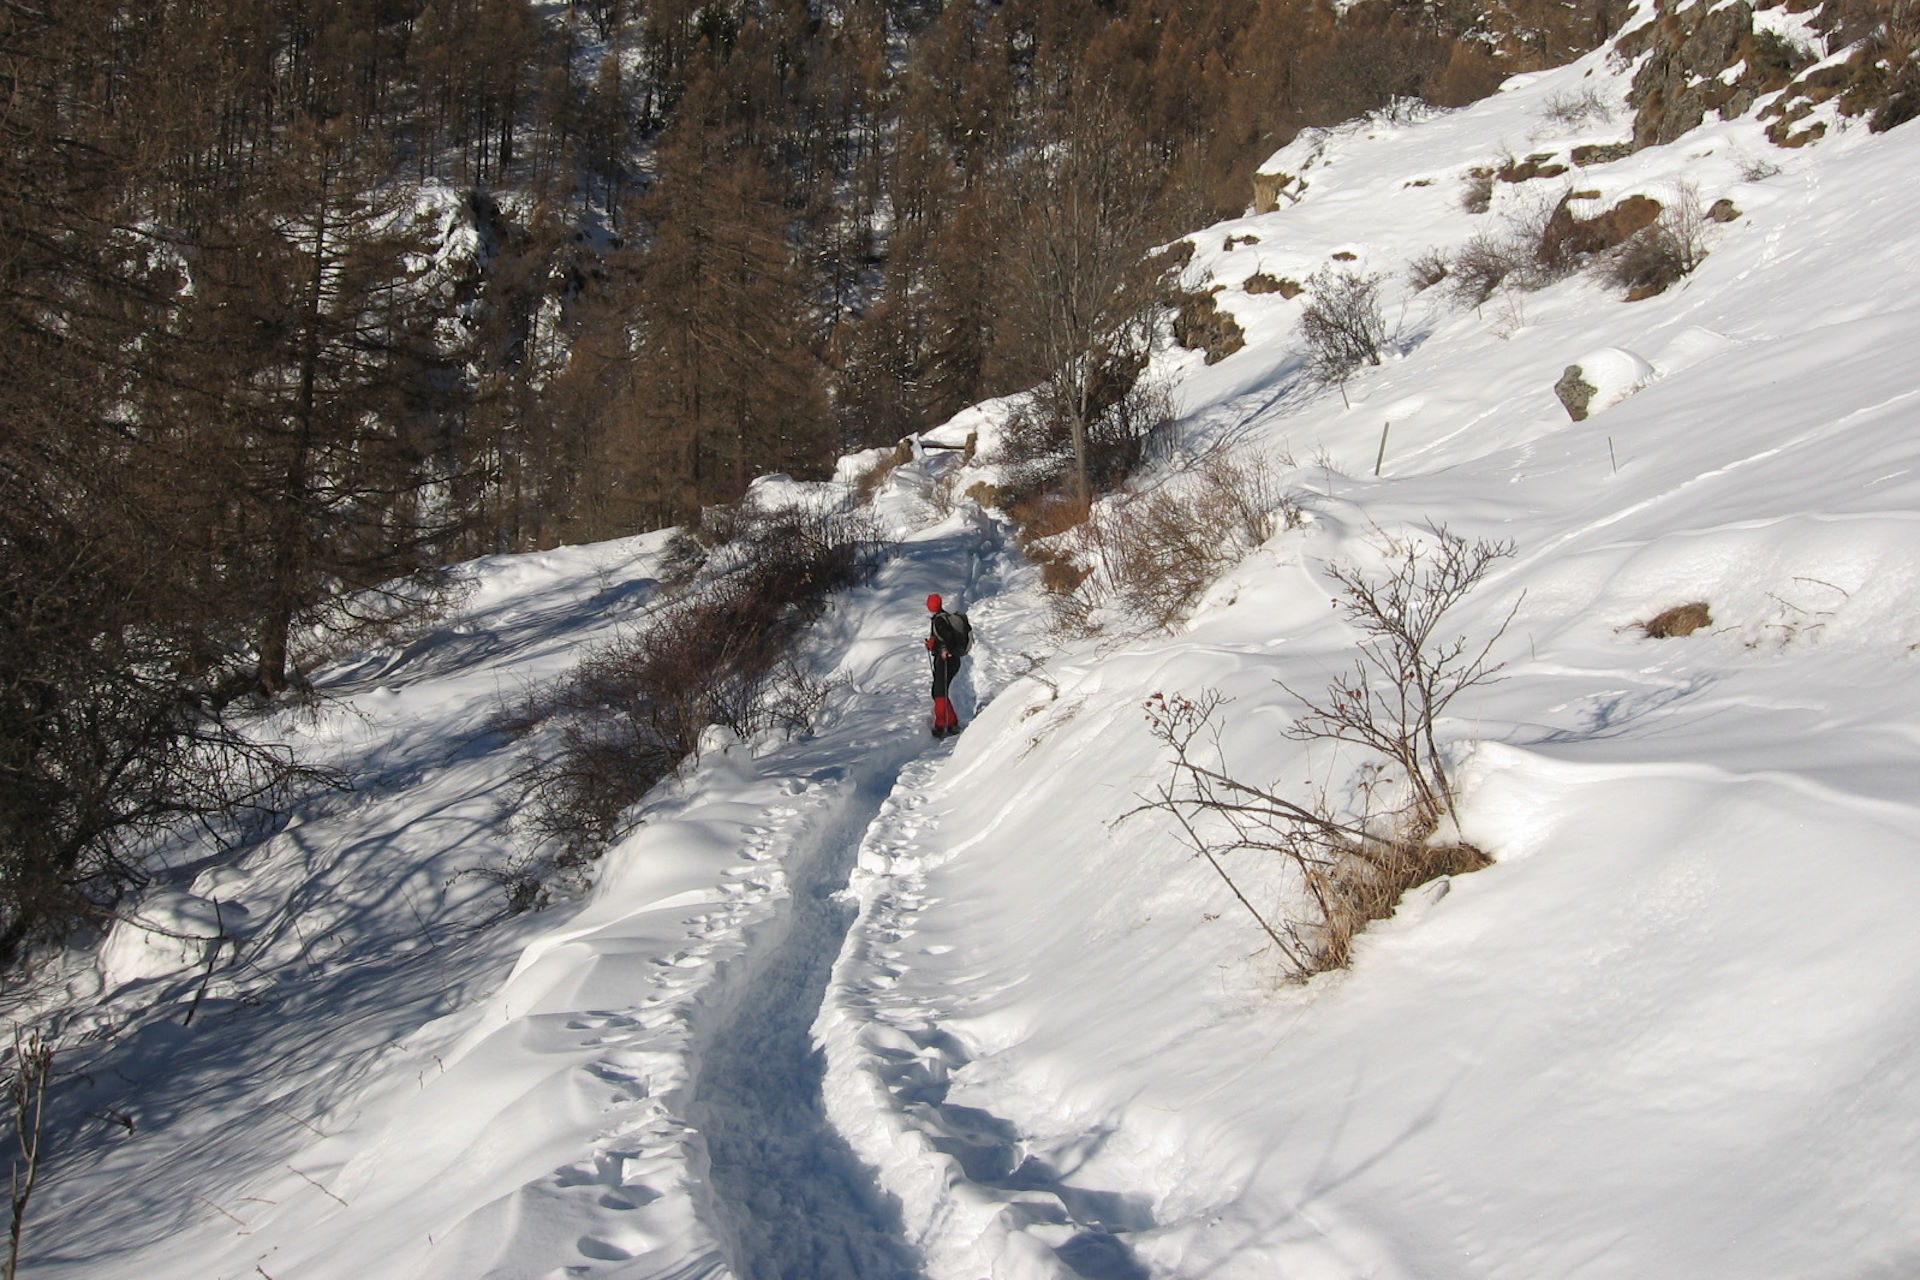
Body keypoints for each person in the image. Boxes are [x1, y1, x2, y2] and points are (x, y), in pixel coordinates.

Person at [924, 593, 968, 738]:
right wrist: (933, 645)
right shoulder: (943, 617)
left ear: (931, 605)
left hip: (946, 660)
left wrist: (942, 649)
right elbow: (942, 637)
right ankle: (951, 722)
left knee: (939, 692)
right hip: (950, 660)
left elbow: (946, 637)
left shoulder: (939, 620)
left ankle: (943, 724)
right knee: (939, 691)